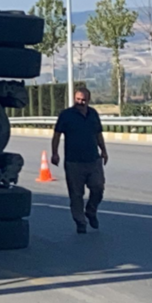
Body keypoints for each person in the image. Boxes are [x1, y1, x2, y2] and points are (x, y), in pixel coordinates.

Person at [51, 88, 108, 234]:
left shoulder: (93, 114)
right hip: (73, 162)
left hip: (93, 160)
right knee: (76, 194)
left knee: (98, 187)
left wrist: (104, 151)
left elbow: (98, 133)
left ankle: (91, 210)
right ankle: (80, 222)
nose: (80, 102)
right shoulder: (66, 115)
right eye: (78, 99)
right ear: (74, 99)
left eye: (83, 100)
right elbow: (57, 135)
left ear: (88, 100)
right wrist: (55, 153)